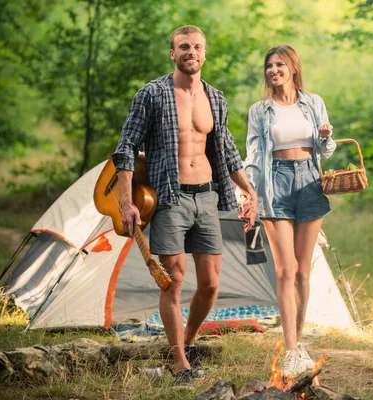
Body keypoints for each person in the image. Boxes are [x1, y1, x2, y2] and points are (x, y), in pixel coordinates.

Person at [112, 25, 257, 387]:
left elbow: (227, 151)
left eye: (197, 47)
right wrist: (127, 202)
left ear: (204, 54)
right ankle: (179, 361)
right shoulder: (152, 94)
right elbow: (126, 147)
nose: (191, 51)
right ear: (172, 53)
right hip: (170, 198)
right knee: (173, 282)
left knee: (210, 284)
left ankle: (187, 343)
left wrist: (249, 193)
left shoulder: (216, 98)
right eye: (183, 46)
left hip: (207, 195)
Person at [244, 44, 336, 377]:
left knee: (303, 272)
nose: (273, 70)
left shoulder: (314, 103)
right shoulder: (260, 110)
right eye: (269, 65)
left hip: (310, 183)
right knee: (285, 270)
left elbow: (325, 150)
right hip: (275, 183)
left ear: (293, 68)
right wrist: (248, 191)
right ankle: (292, 350)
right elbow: (254, 154)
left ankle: (296, 341)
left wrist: (326, 136)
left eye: (280, 64)